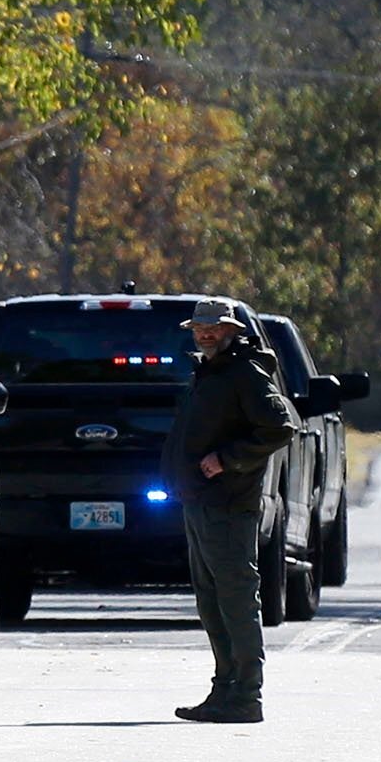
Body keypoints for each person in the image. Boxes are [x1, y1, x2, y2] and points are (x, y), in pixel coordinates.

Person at [161, 299, 296, 724]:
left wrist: (228, 459)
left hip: (229, 504)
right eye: (199, 328)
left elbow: (280, 427)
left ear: (230, 330)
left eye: (213, 328)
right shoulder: (210, 371)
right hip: (199, 501)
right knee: (212, 601)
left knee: (236, 598)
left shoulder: (244, 372)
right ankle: (224, 689)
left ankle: (246, 695)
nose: (205, 334)